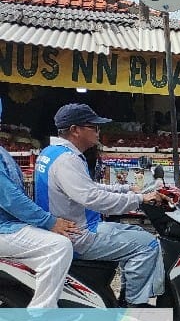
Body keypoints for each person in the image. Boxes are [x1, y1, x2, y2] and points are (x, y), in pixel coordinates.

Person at [35, 103, 168, 307]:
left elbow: (86, 187)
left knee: (135, 232)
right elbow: (94, 199)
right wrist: (140, 199)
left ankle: (127, 296)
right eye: (94, 127)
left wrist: (126, 189)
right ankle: (134, 306)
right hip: (78, 235)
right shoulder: (67, 160)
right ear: (75, 130)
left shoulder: (51, 152)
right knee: (147, 244)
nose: (98, 132)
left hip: (72, 228)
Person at [0, 98, 80, 308]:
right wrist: (49, 221)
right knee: (59, 246)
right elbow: (10, 198)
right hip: (4, 229)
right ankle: (41, 314)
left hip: (10, 224)